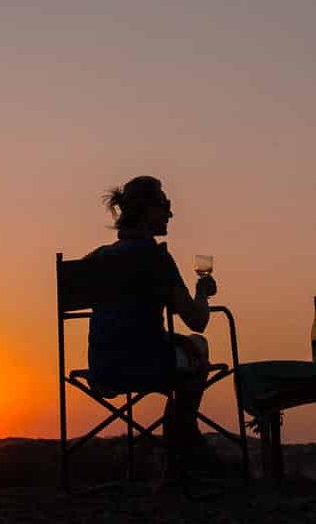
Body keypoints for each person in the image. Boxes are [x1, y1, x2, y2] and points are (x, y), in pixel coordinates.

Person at [86, 175, 218, 479]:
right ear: (146, 210)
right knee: (199, 346)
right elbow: (197, 320)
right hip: (148, 364)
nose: (170, 213)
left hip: (102, 368)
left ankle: (180, 444)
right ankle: (182, 444)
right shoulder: (157, 258)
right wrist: (202, 293)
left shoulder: (97, 259)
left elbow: (130, 325)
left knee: (187, 346)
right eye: (165, 205)